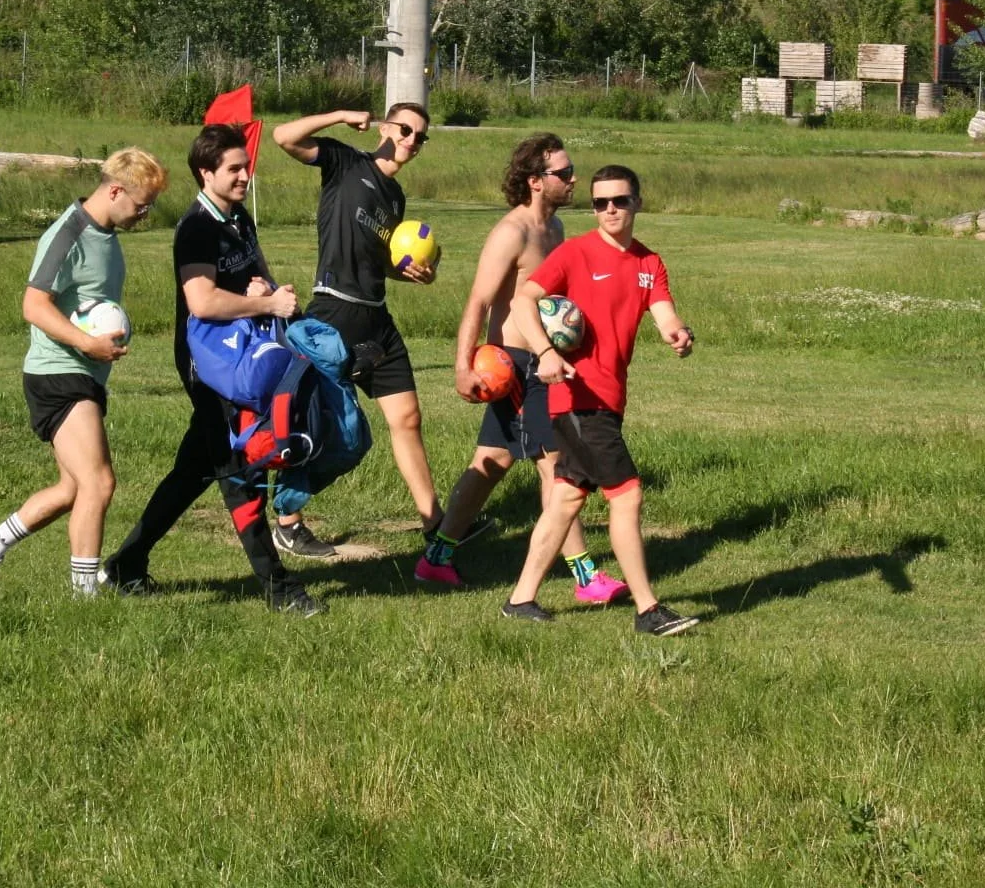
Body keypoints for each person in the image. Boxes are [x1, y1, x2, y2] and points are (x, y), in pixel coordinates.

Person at [101, 124, 321, 616]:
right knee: (238, 474)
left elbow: (248, 276)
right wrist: (261, 304)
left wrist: (266, 290)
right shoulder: (197, 227)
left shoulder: (237, 216)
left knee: (192, 472)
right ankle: (278, 587)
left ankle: (126, 564)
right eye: (235, 169)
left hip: (245, 361)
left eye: (246, 165)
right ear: (206, 172)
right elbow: (201, 302)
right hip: (214, 370)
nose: (246, 174)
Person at [415, 133, 629, 605]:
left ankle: (436, 558)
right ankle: (585, 575)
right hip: (516, 367)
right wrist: (461, 367)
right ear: (535, 181)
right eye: (563, 173)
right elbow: (478, 302)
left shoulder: (554, 230)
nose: (573, 179)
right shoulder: (512, 232)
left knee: (490, 463)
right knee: (556, 465)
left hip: (542, 363)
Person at [0, 147, 167, 598]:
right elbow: (33, 305)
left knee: (74, 489)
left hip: (80, 375)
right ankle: (84, 598)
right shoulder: (69, 234)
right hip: (57, 374)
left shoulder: (105, 235)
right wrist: (87, 342)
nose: (146, 213)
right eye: (141, 204)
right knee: (100, 481)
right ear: (114, 190)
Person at [501, 165, 701, 636]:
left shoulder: (649, 264)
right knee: (627, 494)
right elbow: (521, 302)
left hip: (608, 397)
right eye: (599, 202)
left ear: (637, 202)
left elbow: (664, 314)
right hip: (577, 397)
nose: (609, 209)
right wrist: (546, 353)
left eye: (620, 200)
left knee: (567, 497)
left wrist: (679, 335)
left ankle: (520, 599)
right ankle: (648, 610)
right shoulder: (574, 253)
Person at [271, 105, 466, 557]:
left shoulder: (395, 198)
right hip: (333, 315)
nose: (411, 140)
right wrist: (337, 114)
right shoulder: (345, 163)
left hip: (377, 318)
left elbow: (380, 261)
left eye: (420, 136)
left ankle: (434, 525)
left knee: (408, 420)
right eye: (404, 130)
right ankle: (287, 519)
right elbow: (284, 135)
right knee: (336, 433)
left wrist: (414, 273)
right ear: (384, 128)